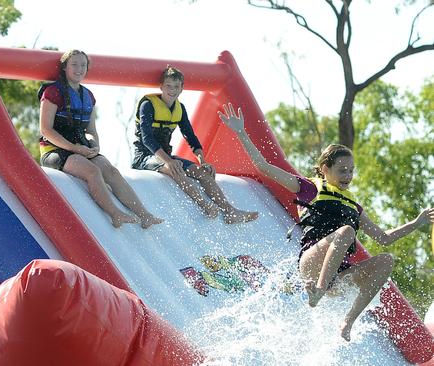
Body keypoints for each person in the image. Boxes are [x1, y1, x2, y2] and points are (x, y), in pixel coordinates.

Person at [219, 102, 434, 341]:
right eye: (342, 170)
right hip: (311, 264)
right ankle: (318, 291)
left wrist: (416, 222)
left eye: (351, 171)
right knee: (346, 232)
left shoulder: (352, 204)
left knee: (385, 260)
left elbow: (383, 238)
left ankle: (348, 321)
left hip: (339, 276)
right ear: (325, 169)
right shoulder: (309, 188)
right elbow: (263, 166)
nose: (348, 176)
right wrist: (240, 131)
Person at [39, 50, 163, 229]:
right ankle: (115, 214)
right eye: (74, 64)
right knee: (93, 172)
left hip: (81, 148)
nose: (79, 69)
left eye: (83, 65)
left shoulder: (88, 96)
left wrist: (94, 145)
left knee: (111, 171)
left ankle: (145, 215)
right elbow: (46, 130)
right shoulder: (53, 92)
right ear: (65, 67)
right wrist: (74, 148)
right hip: (55, 151)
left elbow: (91, 131)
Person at [131, 65, 258, 223]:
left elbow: (190, 137)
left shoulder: (180, 109)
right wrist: (168, 161)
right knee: (176, 170)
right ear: (161, 87)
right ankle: (205, 205)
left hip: (166, 156)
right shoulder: (148, 105)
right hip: (145, 157)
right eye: (168, 86)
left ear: (182, 88)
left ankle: (230, 211)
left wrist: (202, 161)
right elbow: (147, 139)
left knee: (202, 173)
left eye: (176, 86)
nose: (172, 90)